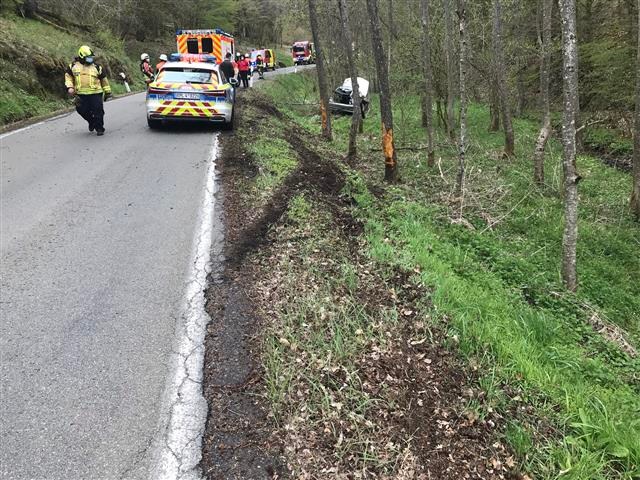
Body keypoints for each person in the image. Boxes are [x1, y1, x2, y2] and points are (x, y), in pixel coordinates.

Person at [64, 45, 112, 136]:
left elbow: (104, 80)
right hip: (80, 94)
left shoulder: (97, 67)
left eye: (91, 57)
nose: (90, 59)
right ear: (81, 57)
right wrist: (69, 87)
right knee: (81, 110)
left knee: (98, 111)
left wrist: (107, 92)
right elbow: (68, 78)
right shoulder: (73, 66)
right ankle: (91, 121)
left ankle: (99, 128)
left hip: (96, 93)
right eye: (88, 58)